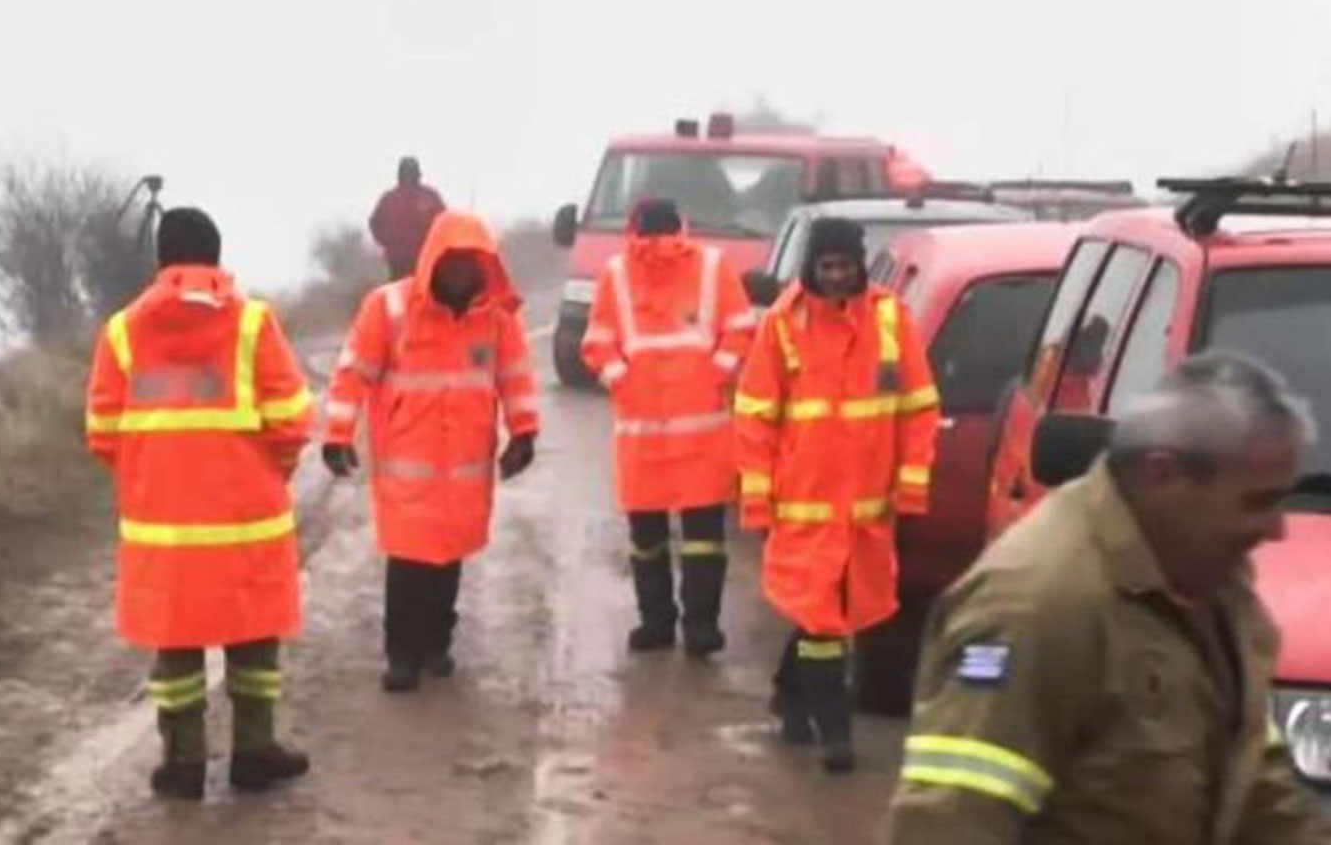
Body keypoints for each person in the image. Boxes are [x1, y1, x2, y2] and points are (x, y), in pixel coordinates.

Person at [889, 353, 1331, 843]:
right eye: (1257, 502)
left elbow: (1251, 777)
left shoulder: (1213, 585)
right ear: (1163, 475)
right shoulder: (1035, 604)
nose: (1276, 529)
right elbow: (950, 824)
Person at [85, 208, 317, 802]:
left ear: (161, 260)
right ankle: (254, 750)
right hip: (247, 523)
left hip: (163, 529)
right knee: (254, 639)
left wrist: (152, 478)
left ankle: (183, 763)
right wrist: (273, 472)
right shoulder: (252, 322)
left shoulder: (120, 332)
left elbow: (103, 432)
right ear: (216, 257)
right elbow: (292, 421)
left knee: (177, 647)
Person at [734, 217, 940, 773]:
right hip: (804, 504)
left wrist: (912, 487)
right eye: (825, 267)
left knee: (835, 612)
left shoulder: (893, 320)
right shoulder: (782, 324)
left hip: (868, 507)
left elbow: (919, 409)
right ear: (811, 266)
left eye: (844, 266)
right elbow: (755, 417)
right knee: (823, 617)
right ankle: (835, 732)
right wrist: (757, 498)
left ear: (858, 264)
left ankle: (791, 696)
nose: (835, 277)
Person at [321, 211, 540, 693]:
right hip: (408, 458)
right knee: (408, 561)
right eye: (455, 261)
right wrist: (337, 434)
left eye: (473, 262)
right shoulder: (388, 308)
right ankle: (402, 654)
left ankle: (438, 643)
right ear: (434, 260)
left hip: (465, 462)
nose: (463, 272)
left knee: (449, 555)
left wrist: (524, 432)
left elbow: (515, 377)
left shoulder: (496, 318)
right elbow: (352, 373)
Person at [579, 198, 757, 657]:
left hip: (690, 432)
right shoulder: (619, 275)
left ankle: (682, 625)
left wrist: (710, 375)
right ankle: (673, 624)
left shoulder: (711, 267)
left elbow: (741, 330)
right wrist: (627, 382)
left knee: (682, 539)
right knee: (666, 539)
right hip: (652, 433)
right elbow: (597, 345)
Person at [367, 157, 447, 281]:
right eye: (407, 172)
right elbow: (375, 223)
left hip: (422, 258)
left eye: (411, 172)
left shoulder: (429, 197)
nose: (409, 176)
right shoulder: (390, 199)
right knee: (404, 294)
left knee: (414, 293)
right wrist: (389, 243)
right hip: (401, 260)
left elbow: (444, 222)